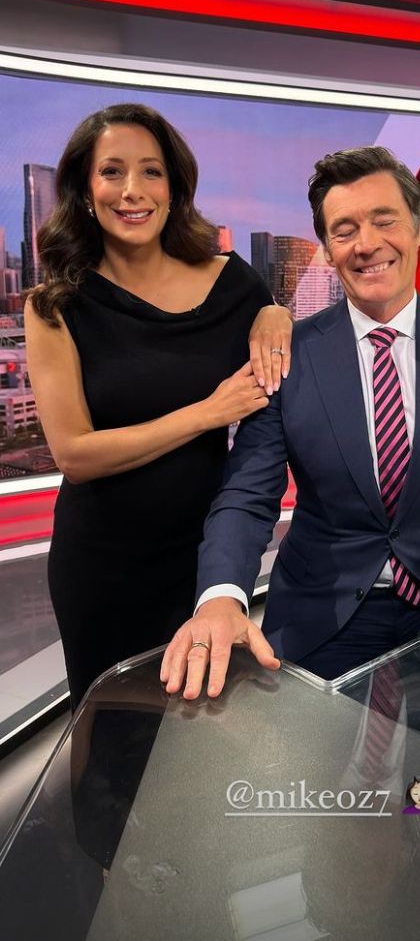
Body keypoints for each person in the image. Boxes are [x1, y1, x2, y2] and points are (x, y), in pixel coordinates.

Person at [161, 145, 420, 700]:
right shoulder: (288, 354)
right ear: (327, 251)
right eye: (344, 230)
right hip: (321, 610)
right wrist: (221, 599)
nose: (366, 244)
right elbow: (247, 497)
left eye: (384, 220)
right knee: (308, 759)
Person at [25, 102, 292, 708]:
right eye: (111, 171)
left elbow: (277, 336)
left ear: (174, 189)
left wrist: (277, 315)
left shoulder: (233, 282)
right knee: (114, 736)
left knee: (204, 726)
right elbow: (75, 454)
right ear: (85, 191)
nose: (132, 190)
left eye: (151, 171)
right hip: (104, 566)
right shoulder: (55, 305)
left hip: (205, 557)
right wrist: (207, 413)